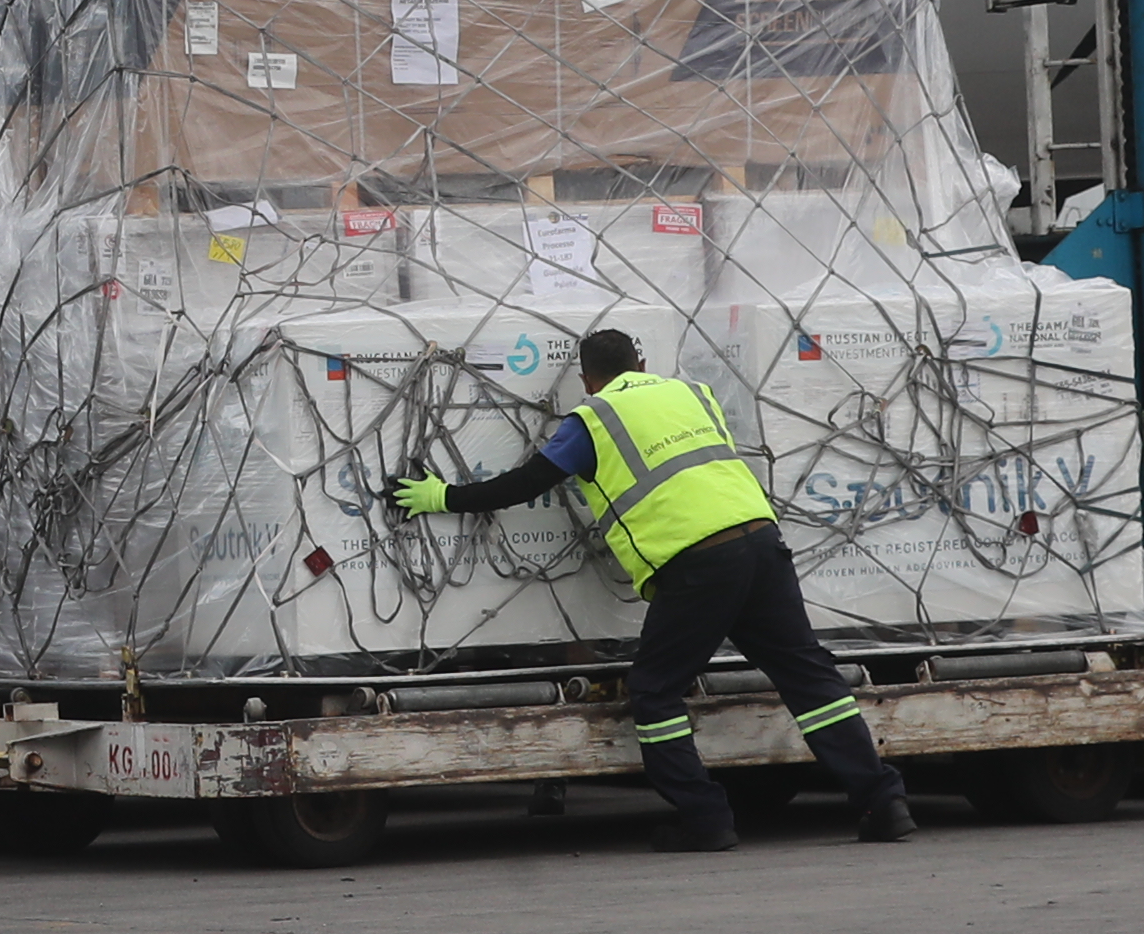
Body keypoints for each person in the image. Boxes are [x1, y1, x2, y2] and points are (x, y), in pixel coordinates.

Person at [388, 330, 917, 851]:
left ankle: (704, 818)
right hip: (761, 542)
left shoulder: (592, 420)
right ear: (640, 363)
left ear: (586, 380)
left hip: (698, 562)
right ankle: (882, 800)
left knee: (656, 689)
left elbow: (524, 484)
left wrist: (443, 496)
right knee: (807, 676)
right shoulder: (692, 394)